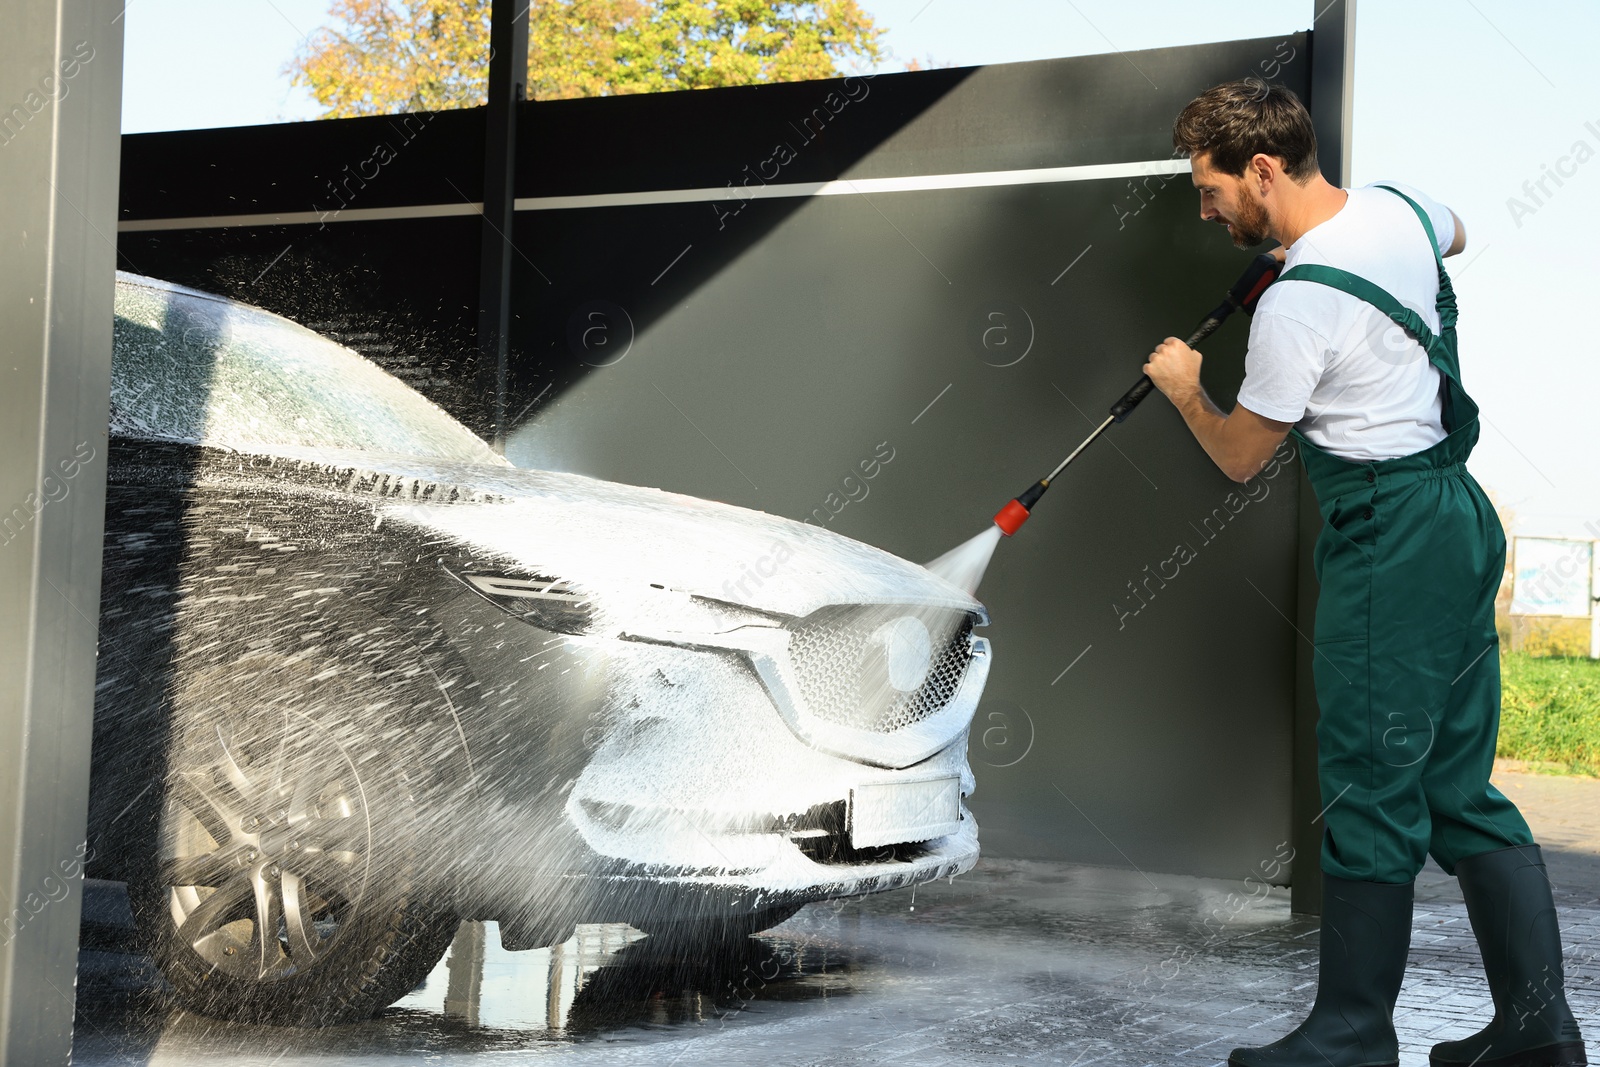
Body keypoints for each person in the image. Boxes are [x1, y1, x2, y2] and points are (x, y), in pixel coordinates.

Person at [1142, 78, 1588, 1067]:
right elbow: (1455, 227)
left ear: (1261, 169)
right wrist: (1320, 251)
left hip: (1387, 535)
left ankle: (1351, 1031)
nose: (1205, 209)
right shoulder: (1395, 208)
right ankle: (1538, 1027)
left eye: (1210, 190)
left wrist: (1183, 388)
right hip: (1459, 517)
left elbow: (1238, 456)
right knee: (1456, 786)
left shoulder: (1297, 307)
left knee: (1368, 781)